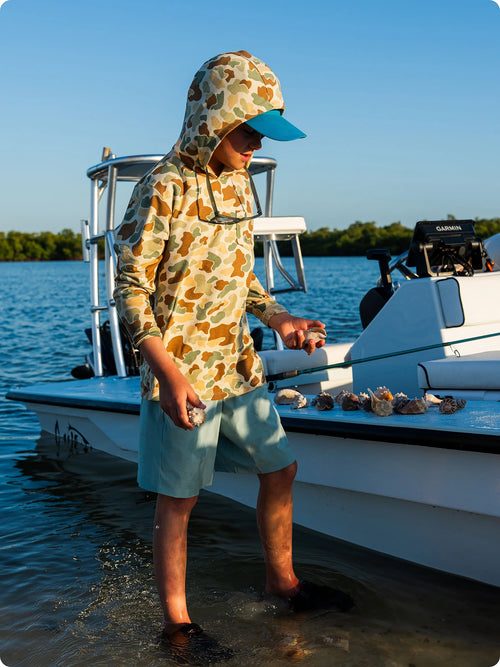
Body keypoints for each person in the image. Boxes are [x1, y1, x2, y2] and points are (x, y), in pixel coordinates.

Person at [114, 50, 353, 662]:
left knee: (281, 469)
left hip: (239, 366)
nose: (256, 144)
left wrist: (280, 318)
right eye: (247, 131)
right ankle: (177, 626)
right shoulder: (161, 187)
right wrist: (166, 373)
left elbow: (242, 278)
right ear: (212, 121)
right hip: (181, 374)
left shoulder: (240, 183)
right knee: (180, 501)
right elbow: (130, 290)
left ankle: (283, 584)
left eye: (262, 134)